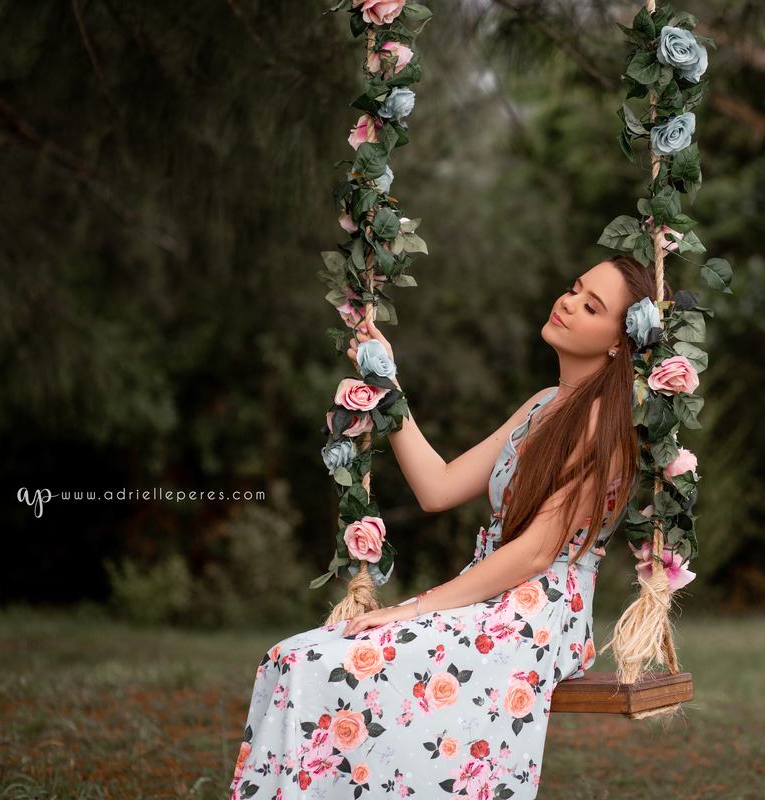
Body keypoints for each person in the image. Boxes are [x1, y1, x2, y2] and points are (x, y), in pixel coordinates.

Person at [230, 256, 672, 799]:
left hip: (536, 613)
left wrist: (412, 608)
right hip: (492, 593)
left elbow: (536, 553)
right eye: (574, 288)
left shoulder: (607, 422)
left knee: (316, 664)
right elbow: (437, 487)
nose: (568, 302)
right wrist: (386, 385)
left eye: (591, 306)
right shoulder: (544, 404)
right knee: (289, 658)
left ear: (619, 343)